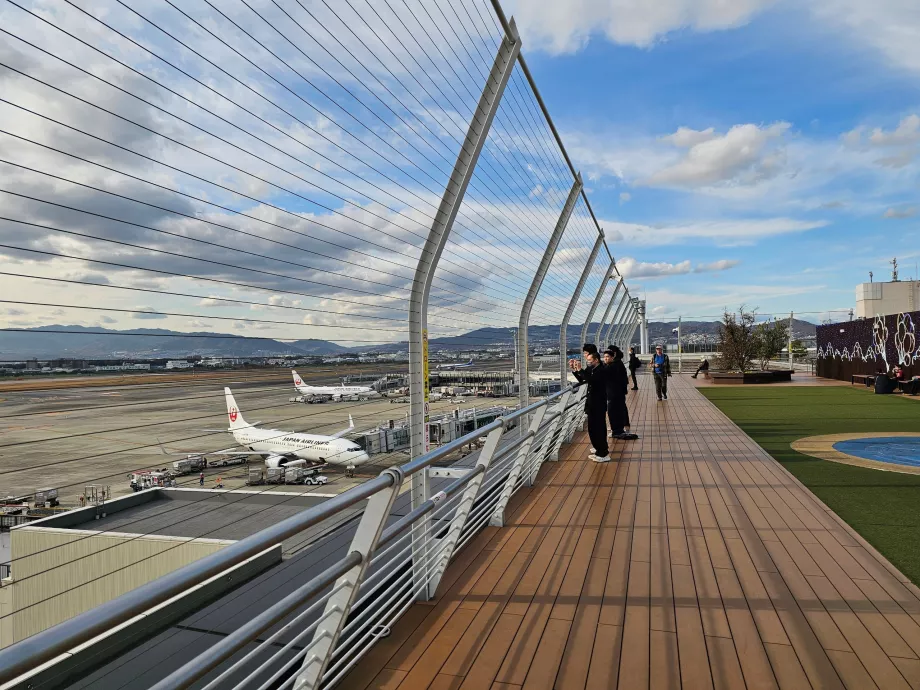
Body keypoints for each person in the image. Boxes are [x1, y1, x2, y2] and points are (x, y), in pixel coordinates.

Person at [570, 352, 611, 463]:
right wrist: (575, 370)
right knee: (592, 428)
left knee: (598, 428)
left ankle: (603, 453)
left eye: (590, 361)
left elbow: (591, 380)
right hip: (593, 403)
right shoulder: (593, 369)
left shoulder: (601, 370)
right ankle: (599, 450)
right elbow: (582, 379)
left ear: (596, 360)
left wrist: (580, 369)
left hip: (598, 403)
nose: (588, 362)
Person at [603, 347, 630, 436]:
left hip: (614, 393)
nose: (605, 358)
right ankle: (620, 427)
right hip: (618, 391)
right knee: (619, 409)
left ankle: (617, 429)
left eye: (608, 356)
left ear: (613, 355)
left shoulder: (614, 365)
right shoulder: (618, 363)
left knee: (613, 411)